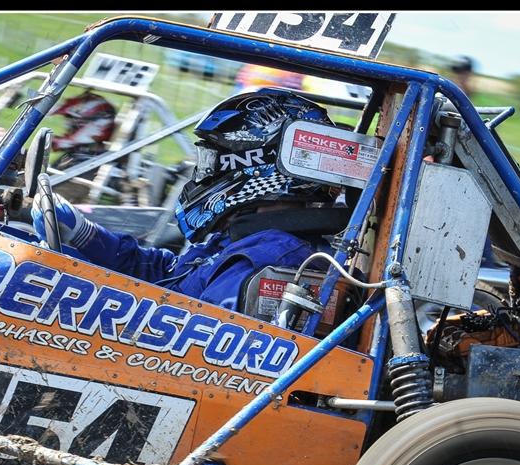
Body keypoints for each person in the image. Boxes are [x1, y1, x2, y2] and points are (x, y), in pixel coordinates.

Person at [31, 87, 344, 313]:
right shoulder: (242, 238)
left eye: (212, 161)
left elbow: (190, 332)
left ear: (255, 166)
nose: (202, 174)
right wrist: (87, 237)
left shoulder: (271, 257)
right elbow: (172, 274)